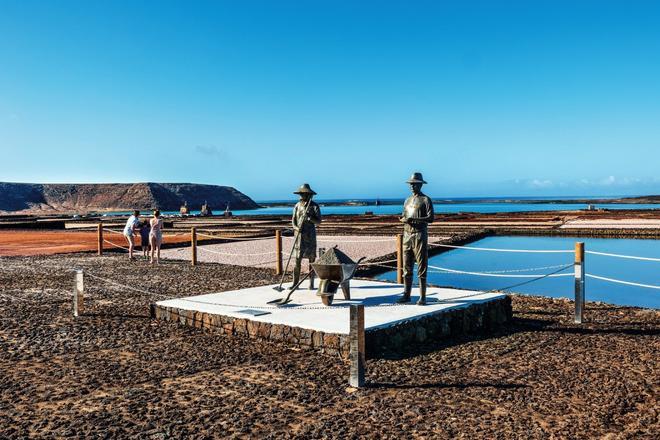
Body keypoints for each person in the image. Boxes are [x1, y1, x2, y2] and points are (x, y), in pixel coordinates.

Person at [398, 172, 434, 305]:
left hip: (419, 234)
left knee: (421, 266)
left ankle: (422, 297)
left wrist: (415, 219)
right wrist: (403, 219)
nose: (412, 186)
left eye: (414, 184)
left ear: (420, 185)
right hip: (407, 234)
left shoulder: (426, 200)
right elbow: (403, 215)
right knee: (406, 267)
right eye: (411, 184)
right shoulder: (407, 200)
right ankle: (406, 295)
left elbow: (431, 218)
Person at [291, 183, 322, 289]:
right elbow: (293, 221)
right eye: (300, 194)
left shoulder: (314, 206)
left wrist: (310, 218)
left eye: (303, 194)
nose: (301, 196)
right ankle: (295, 283)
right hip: (299, 237)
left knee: (311, 260)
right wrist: (296, 228)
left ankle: (311, 283)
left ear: (308, 194)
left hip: (310, 236)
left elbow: (318, 222)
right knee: (297, 260)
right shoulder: (297, 206)